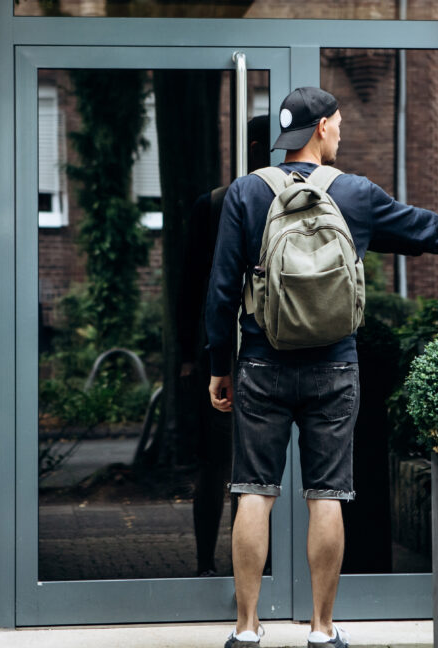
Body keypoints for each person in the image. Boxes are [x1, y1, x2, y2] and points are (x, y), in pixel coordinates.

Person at [205, 86, 438, 648]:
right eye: (337, 124)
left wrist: (221, 368)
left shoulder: (245, 193)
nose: (340, 133)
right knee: (327, 495)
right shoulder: (356, 194)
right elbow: (417, 230)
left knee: (254, 492)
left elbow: (220, 293)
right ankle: (320, 632)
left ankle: (246, 632)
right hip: (334, 364)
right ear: (319, 129)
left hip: (262, 363)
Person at [178, 116, 271, 577]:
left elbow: (191, 287)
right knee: (229, 467)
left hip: (235, 348)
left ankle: (211, 566)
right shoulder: (218, 204)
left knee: (223, 466)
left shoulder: (215, 203)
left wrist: (190, 356)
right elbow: (193, 285)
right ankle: (215, 564)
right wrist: (192, 357)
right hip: (246, 348)